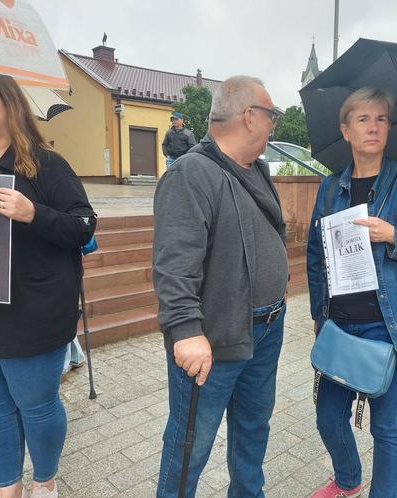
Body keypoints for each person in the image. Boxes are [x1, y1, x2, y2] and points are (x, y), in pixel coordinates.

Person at [0, 70, 96, 498]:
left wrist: (34, 213)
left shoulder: (47, 164)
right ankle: (7, 489)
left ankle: (45, 481)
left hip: (30, 311)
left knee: (37, 406)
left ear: (9, 105)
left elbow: (83, 225)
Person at [306, 87, 397, 498]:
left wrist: (394, 235)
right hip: (341, 322)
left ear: (389, 128)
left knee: (386, 426)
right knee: (328, 417)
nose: (373, 127)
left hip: (392, 325)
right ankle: (349, 479)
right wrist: (320, 314)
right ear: (345, 129)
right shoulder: (331, 188)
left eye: (381, 120)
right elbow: (316, 254)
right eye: (363, 119)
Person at [153, 75, 287, 497]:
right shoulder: (191, 173)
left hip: (266, 328)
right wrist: (186, 331)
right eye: (271, 116)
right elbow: (174, 265)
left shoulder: (259, 170)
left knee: (253, 428)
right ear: (250, 117)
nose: (274, 126)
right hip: (215, 338)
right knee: (191, 442)